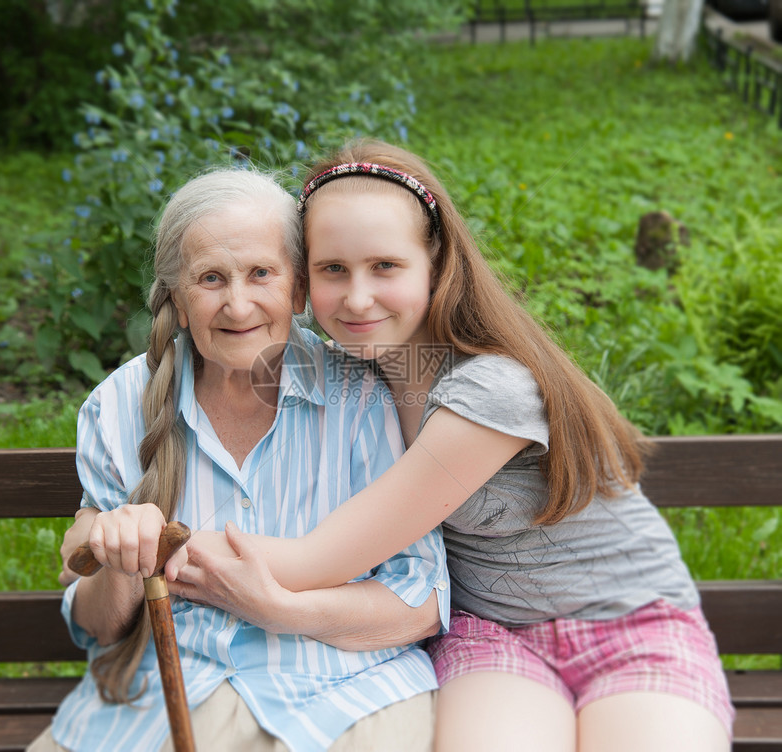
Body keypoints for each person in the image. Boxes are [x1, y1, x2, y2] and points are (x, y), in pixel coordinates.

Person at [179, 140, 734, 751]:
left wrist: (151, 536)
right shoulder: (346, 380)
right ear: (304, 280)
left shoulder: (490, 391)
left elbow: (319, 559)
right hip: (492, 633)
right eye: (333, 269)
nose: (358, 298)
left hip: (631, 623)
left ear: (435, 264)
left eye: (385, 266)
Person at [30, 167, 450, 752]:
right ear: (177, 300)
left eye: (261, 274)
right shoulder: (119, 406)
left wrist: (282, 612)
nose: (237, 303)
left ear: (297, 289)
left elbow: (421, 601)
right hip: (168, 697)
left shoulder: (361, 397)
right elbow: (96, 624)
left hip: (345, 695)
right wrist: (121, 557)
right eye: (210, 279)